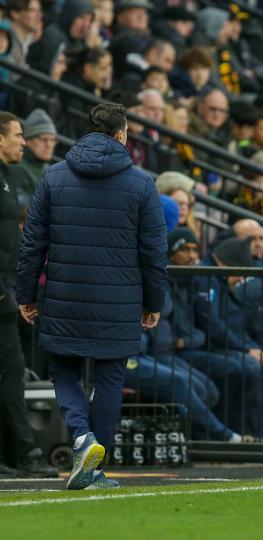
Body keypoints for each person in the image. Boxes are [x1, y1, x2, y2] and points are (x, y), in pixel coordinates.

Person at [16, 103, 168, 489]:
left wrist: (26, 293)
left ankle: (82, 438)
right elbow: (154, 250)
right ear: (120, 134)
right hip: (120, 301)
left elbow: (32, 243)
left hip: (65, 295)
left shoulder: (52, 176)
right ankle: (94, 461)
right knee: (110, 378)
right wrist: (154, 303)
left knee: (63, 370)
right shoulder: (141, 183)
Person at [0, 112, 58, 479]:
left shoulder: (6, 179)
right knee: (12, 371)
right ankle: (25, 453)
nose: (23, 141)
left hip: (6, 291)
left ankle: (15, 453)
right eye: (18, 135)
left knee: (11, 371)